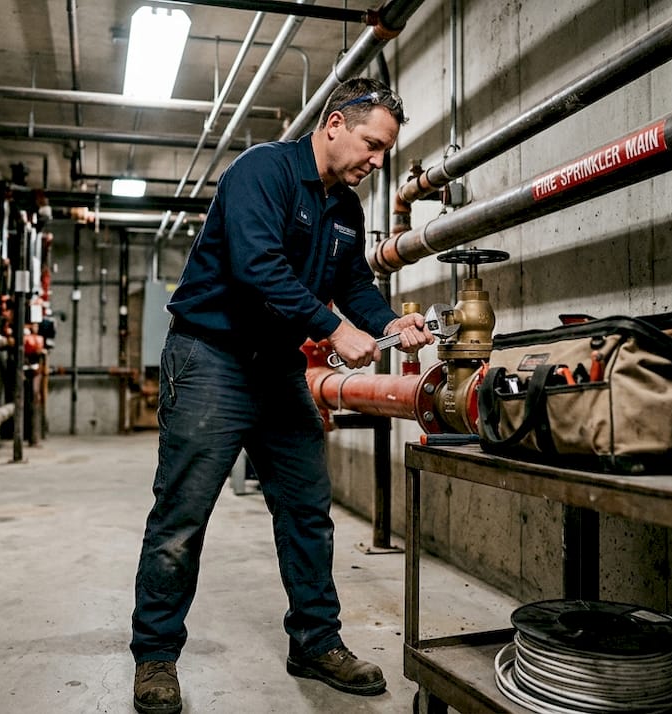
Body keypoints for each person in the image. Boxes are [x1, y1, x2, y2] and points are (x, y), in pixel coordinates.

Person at [130, 77, 432, 714]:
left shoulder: (344, 210)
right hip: (210, 357)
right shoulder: (261, 172)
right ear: (333, 125)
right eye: (372, 145)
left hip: (275, 368)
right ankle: (156, 655)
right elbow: (257, 267)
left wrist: (386, 325)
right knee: (182, 516)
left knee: (306, 509)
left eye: (385, 152)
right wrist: (334, 331)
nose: (378, 163)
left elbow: (354, 285)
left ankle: (315, 642)